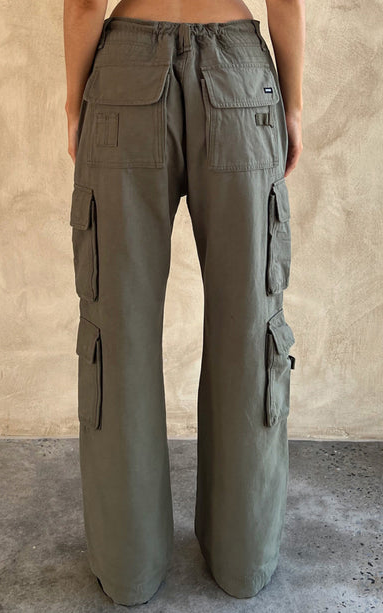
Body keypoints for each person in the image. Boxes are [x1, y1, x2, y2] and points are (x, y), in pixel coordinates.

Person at [64, 0, 305, 606]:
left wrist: (74, 106)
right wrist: (294, 107)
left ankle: (128, 567)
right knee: (249, 324)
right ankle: (243, 558)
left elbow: (86, 3)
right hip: (240, 80)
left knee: (118, 325)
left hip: (123, 79)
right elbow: (286, 3)